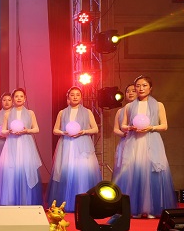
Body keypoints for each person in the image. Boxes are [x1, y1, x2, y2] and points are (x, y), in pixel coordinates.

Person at [111, 76, 175, 218]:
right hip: (134, 141)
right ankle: (135, 208)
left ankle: (150, 209)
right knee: (134, 173)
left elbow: (164, 125)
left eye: (144, 85)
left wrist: (151, 127)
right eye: (138, 86)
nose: (141, 88)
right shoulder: (129, 107)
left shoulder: (158, 105)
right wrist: (130, 127)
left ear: (150, 88)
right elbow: (123, 125)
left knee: (151, 173)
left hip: (151, 140)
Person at [48, 87, 101, 211]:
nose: (75, 97)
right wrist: (64, 132)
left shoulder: (87, 112)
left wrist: (84, 131)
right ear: (68, 97)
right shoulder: (62, 112)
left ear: (81, 97)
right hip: (67, 144)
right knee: (67, 172)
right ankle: (66, 202)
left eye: (78, 94)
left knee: (82, 173)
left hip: (82, 145)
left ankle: (84, 204)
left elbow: (95, 129)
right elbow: (55, 130)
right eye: (72, 94)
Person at [0, 87, 42, 207]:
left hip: (26, 144)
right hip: (11, 144)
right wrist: (9, 131)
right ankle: (11, 200)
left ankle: (26, 199)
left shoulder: (30, 113)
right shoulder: (8, 113)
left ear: (25, 99)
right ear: (13, 99)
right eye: (16, 96)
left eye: (21, 96)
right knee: (11, 171)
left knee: (25, 170)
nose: (19, 98)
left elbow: (36, 129)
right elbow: (3, 131)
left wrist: (27, 130)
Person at [111, 83, 137, 179]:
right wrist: (123, 134)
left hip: (138, 141)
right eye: (128, 91)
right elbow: (115, 129)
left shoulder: (143, 109)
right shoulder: (120, 111)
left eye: (133, 91)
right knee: (123, 170)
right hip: (124, 143)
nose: (130, 93)